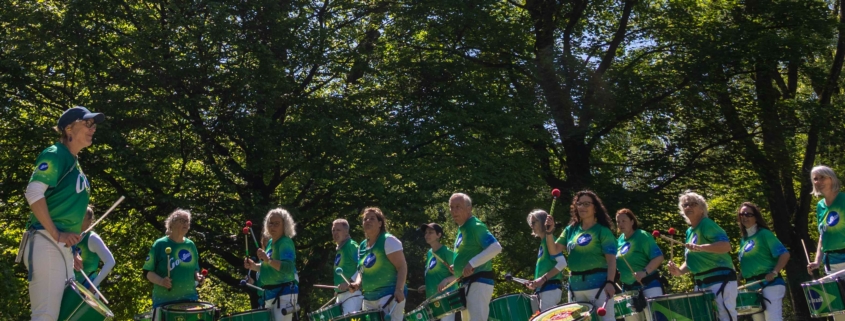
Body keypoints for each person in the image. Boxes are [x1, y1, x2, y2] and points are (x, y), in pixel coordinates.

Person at [21, 106, 104, 321]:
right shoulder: (55, 153)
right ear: (68, 128)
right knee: (45, 316)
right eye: (87, 123)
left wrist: (72, 248)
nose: (92, 128)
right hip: (46, 240)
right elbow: (33, 192)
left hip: (61, 247)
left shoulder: (74, 162)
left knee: (63, 316)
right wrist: (57, 235)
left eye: (93, 125)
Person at [546, 190, 617, 321]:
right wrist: (549, 233)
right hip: (575, 287)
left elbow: (612, 261)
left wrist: (610, 282)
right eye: (579, 204)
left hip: (599, 286)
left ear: (595, 208)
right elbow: (554, 251)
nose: (582, 207)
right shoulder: (570, 230)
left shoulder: (603, 231)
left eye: (586, 204)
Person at [666, 191, 737, 321]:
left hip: (720, 278)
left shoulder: (707, 224)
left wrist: (702, 247)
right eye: (685, 205)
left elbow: (726, 246)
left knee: (725, 317)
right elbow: (692, 259)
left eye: (693, 204)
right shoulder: (689, 231)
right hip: (701, 283)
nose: (688, 207)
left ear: (702, 209)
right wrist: (679, 271)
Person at [439, 193, 502, 321]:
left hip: (479, 282)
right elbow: (468, 253)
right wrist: (457, 268)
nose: (454, 211)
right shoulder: (462, 228)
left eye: (458, 207)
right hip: (468, 283)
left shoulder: (475, 226)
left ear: (469, 208)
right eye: (451, 207)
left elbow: (496, 247)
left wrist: (472, 263)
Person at [143, 209, 206, 319]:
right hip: (164, 302)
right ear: (171, 223)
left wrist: (198, 277)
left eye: (188, 221)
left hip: (189, 301)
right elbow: (148, 272)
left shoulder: (190, 245)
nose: (186, 224)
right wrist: (161, 281)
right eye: (182, 220)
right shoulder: (160, 244)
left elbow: (195, 270)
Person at [348, 208, 407, 321]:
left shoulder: (388, 240)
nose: (368, 221)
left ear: (380, 223)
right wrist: (357, 283)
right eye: (365, 219)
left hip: (389, 297)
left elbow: (402, 266)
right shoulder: (362, 246)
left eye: (372, 218)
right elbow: (362, 271)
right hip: (369, 299)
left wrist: (399, 290)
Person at [736, 202, 789, 321]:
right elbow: (750, 263)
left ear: (756, 217)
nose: (744, 217)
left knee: (773, 319)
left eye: (748, 214)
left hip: (770, 284)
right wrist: (739, 277)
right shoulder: (743, 240)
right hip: (752, 287)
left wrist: (774, 272)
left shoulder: (764, 234)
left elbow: (784, 254)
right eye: (741, 214)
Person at [245, 208, 299, 321]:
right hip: (270, 295)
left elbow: (288, 268)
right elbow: (269, 267)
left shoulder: (285, 242)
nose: (272, 227)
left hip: (284, 294)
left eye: (276, 224)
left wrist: (268, 259)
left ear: (285, 225)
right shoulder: (270, 242)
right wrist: (253, 266)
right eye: (270, 223)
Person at [615, 208, 664, 321]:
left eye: (624, 221)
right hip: (628, 289)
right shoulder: (619, 241)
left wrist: (644, 272)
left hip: (649, 284)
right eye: (618, 221)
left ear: (632, 221)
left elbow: (658, 257)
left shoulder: (642, 236)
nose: (620, 224)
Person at [525, 210, 567, 310]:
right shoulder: (543, 243)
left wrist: (543, 279)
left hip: (551, 289)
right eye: (531, 223)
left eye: (534, 222)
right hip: (544, 290)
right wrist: (535, 283)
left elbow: (562, 263)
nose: (532, 226)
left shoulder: (550, 241)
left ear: (543, 222)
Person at [417, 223, 458, 321]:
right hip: (432, 300)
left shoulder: (447, 252)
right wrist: (428, 286)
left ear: (439, 235)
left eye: (431, 232)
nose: (427, 235)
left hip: (447, 300)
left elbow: (460, 274)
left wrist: (447, 279)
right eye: (426, 233)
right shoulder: (429, 253)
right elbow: (436, 274)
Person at [73, 206, 115, 291]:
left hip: (87, 289)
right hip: (72, 286)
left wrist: (94, 286)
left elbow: (110, 261)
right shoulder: (73, 235)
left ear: (89, 221)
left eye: (82, 218)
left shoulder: (92, 238)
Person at [332, 218, 363, 314]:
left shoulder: (351, 246)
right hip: (341, 295)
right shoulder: (340, 249)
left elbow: (363, 266)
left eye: (338, 230)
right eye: (333, 230)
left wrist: (350, 282)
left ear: (346, 231)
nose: (335, 233)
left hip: (352, 294)